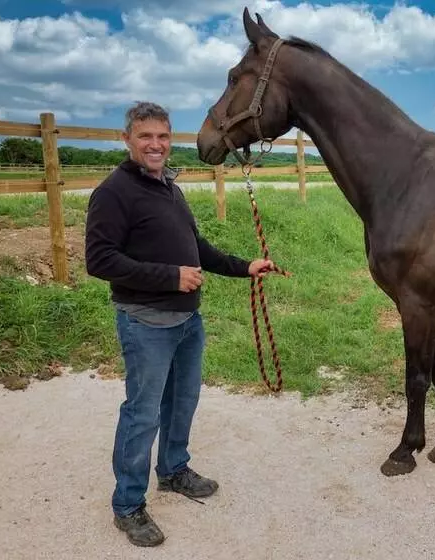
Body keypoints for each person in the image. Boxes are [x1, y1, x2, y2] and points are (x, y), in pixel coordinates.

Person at [85, 101, 274, 547]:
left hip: (188, 321)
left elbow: (197, 247)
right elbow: (100, 260)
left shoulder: (169, 188)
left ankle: (172, 471)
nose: (156, 144)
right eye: (146, 136)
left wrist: (243, 265)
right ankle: (128, 505)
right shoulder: (113, 193)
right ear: (127, 139)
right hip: (146, 322)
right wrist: (171, 276)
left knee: (182, 403)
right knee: (142, 413)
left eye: (163, 136)